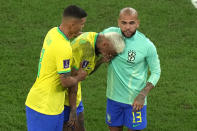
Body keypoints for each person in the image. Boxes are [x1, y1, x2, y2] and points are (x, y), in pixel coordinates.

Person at [25, 5, 88, 131]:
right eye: (81, 24)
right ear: (71, 24)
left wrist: (79, 35)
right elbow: (64, 82)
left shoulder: (53, 32)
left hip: (46, 103)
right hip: (45, 107)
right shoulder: (64, 48)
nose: (83, 27)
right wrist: (79, 77)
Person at [102, 7, 161, 131]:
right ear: (118, 22)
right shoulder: (109, 35)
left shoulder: (146, 45)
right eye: (124, 23)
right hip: (113, 99)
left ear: (137, 23)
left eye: (131, 23)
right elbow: (93, 46)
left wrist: (143, 94)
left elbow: (156, 71)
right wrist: (103, 57)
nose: (127, 27)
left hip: (135, 101)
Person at [63, 32, 125, 131]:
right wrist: (73, 109)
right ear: (105, 44)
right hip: (65, 98)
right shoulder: (85, 48)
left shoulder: (95, 39)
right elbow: (73, 79)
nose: (110, 56)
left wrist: (100, 61)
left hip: (75, 96)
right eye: (110, 53)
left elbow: (86, 72)